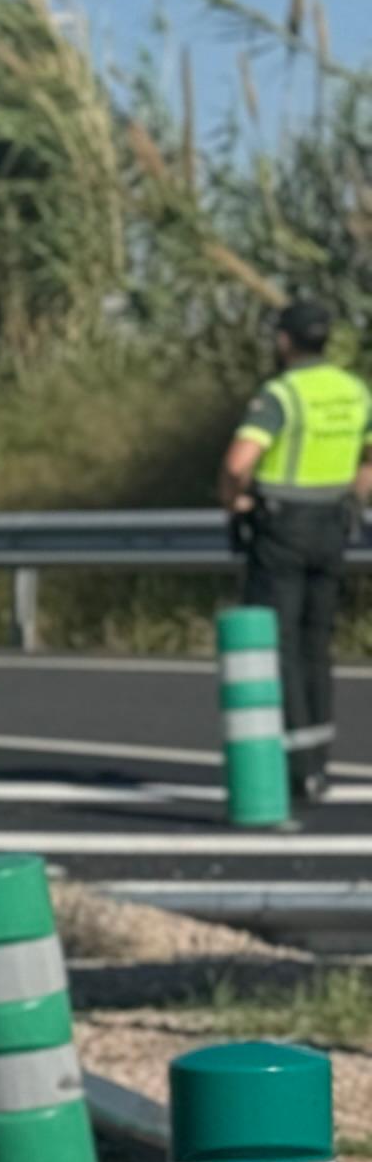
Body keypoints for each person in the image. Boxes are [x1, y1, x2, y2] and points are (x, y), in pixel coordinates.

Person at [219, 299, 370, 806]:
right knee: (316, 644)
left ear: (285, 341)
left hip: (282, 527)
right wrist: (354, 495)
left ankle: (294, 766)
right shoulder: (354, 391)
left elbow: (240, 460)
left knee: (277, 643)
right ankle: (319, 763)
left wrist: (234, 498)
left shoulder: (282, 393)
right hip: (333, 525)